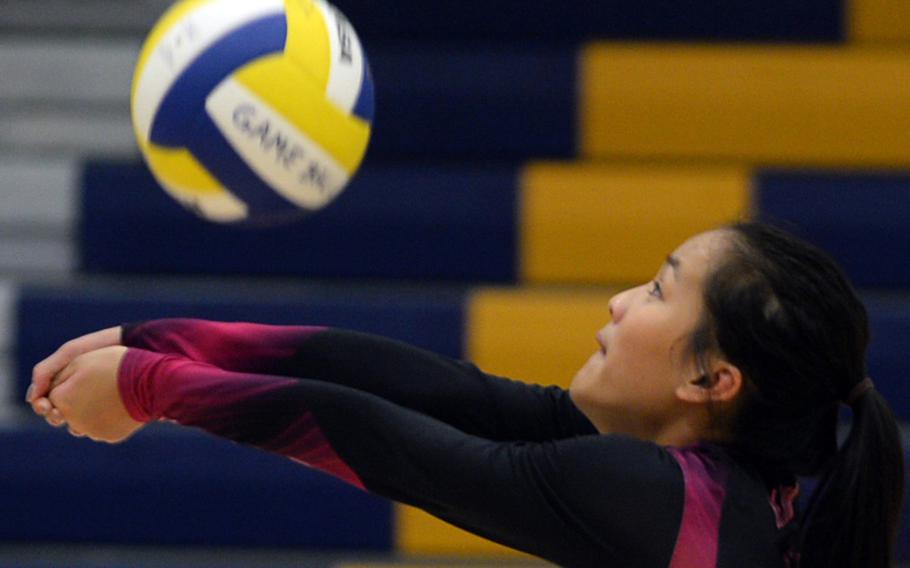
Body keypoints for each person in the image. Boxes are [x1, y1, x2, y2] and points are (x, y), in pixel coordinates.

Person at [27, 222, 904, 568]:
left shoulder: (664, 501)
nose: (619, 301)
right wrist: (159, 342)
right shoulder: (702, 483)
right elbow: (439, 393)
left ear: (710, 381)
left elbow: (397, 450)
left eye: (659, 291)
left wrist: (153, 387)